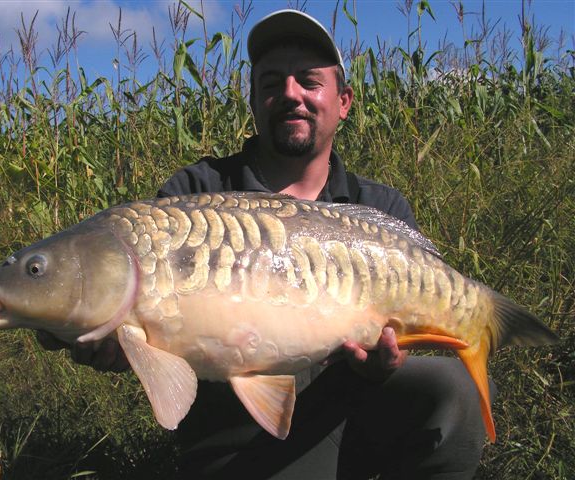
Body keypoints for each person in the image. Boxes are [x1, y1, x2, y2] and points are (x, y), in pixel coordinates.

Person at [39, 10, 489, 479]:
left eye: (309, 82)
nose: (290, 94)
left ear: (344, 101)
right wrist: (114, 348)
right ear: (254, 101)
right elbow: (151, 334)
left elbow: (400, 344)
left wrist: (386, 363)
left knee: (455, 389)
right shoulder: (194, 191)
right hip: (242, 438)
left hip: (356, 409)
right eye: (272, 83)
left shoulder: (377, 207)